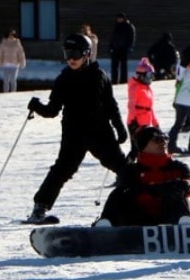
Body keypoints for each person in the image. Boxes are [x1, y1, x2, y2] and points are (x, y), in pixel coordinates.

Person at [25, 33, 129, 223]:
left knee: (124, 168)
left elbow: (110, 104)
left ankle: (140, 204)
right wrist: (37, 106)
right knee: (61, 171)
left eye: (75, 54)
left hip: (100, 133)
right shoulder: (64, 79)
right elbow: (52, 110)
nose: (71, 59)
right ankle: (39, 209)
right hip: (74, 135)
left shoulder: (100, 76)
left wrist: (120, 127)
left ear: (87, 54)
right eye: (67, 54)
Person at [97, 126, 190, 227]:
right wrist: (152, 189)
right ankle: (105, 225)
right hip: (138, 216)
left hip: (169, 214)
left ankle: (186, 224)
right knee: (117, 194)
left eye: (165, 138)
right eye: (157, 139)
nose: (163, 142)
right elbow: (125, 190)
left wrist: (186, 186)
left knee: (179, 194)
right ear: (143, 145)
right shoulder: (131, 171)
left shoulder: (178, 167)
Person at [126, 57, 160, 151]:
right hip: (136, 123)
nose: (151, 78)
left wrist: (155, 123)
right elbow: (131, 106)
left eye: (152, 75)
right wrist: (133, 122)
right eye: (149, 75)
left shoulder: (148, 89)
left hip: (146, 122)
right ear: (142, 75)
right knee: (136, 149)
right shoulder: (136, 88)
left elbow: (150, 108)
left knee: (145, 148)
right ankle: (127, 165)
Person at [109, 12, 136, 84]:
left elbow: (132, 38)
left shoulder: (129, 26)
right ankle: (114, 80)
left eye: (120, 18)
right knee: (114, 66)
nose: (118, 19)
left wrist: (129, 47)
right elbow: (113, 37)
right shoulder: (116, 26)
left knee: (123, 66)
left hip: (124, 49)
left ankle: (123, 80)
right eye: (118, 18)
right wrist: (111, 46)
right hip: (115, 48)